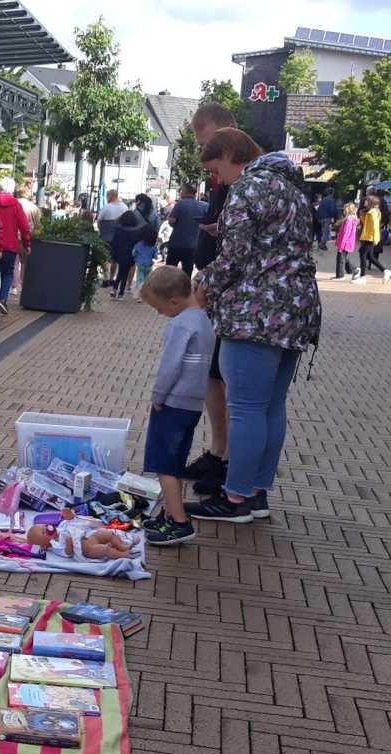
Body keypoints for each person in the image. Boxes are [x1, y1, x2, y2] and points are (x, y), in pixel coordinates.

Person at [185, 128, 322, 524]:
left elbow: (235, 258)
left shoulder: (249, 187)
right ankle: (257, 491)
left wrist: (202, 288)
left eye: (216, 169)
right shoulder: (289, 187)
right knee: (271, 407)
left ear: (230, 154)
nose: (218, 180)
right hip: (296, 310)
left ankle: (236, 496)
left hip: (256, 313)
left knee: (244, 408)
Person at [182, 102, 239, 494]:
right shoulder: (226, 179)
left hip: (230, 293)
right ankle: (219, 451)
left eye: (208, 147)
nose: (207, 165)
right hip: (216, 288)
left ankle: (228, 460)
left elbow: (242, 243)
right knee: (213, 375)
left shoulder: (244, 178)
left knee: (230, 381)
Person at [139, 267, 217, 546]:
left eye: (159, 308)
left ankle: (179, 523)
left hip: (172, 402)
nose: (160, 314)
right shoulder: (204, 320)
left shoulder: (181, 324)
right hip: (192, 405)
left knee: (164, 465)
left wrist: (158, 396)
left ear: (173, 301)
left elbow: (170, 366)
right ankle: (171, 513)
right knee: (176, 462)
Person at [0, 177, 31, 315]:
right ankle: (2, 299)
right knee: (8, 273)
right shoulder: (16, 205)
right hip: (11, 245)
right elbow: (24, 227)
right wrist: (27, 244)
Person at [166, 184, 208, 276]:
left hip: (176, 243)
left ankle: (168, 289)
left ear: (185, 192)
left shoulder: (180, 204)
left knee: (169, 271)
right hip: (193, 244)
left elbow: (171, 221)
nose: (180, 193)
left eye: (182, 191)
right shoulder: (202, 205)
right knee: (187, 272)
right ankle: (185, 289)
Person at [110, 211, 147, 299]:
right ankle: (120, 293)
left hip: (119, 253)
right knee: (125, 273)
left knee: (120, 271)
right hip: (131, 255)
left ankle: (115, 289)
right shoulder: (136, 231)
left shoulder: (118, 229)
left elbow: (114, 242)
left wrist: (113, 252)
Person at [97, 189, 127, 284]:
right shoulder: (125, 207)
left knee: (105, 258)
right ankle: (111, 278)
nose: (106, 198)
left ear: (111, 196)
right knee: (115, 260)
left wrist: (101, 231)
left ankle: (106, 278)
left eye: (107, 196)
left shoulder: (106, 207)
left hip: (106, 236)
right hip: (120, 238)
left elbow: (99, 221)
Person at [354, 194, 383, 284]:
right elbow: (365, 222)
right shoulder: (370, 211)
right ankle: (385, 271)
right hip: (367, 236)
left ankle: (363, 276)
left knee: (362, 253)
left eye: (367, 201)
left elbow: (375, 226)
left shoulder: (373, 212)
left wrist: (375, 238)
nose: (365, 202)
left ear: (371, 202)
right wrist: (362, 214)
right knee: (369, 256)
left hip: (370, 237)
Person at [132, 226, 159, 302]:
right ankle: (147, 294)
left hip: (140, 265)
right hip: (149, 264)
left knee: (140, 280)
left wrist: (135, 258)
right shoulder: (153, 246)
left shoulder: (138, 244)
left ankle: (140, 295)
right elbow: (155, 256)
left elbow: (134, 253)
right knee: (148, 280)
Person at [334, 202, 359, 279]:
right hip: (348, 242)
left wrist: (341, 246)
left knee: (340, 259)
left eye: (345, 209)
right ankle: (354, 270)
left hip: (344, 243)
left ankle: (340, 275)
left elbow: (346, 233)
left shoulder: (349, 219)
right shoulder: (353, 218)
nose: (343, 211)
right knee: (344, 258)